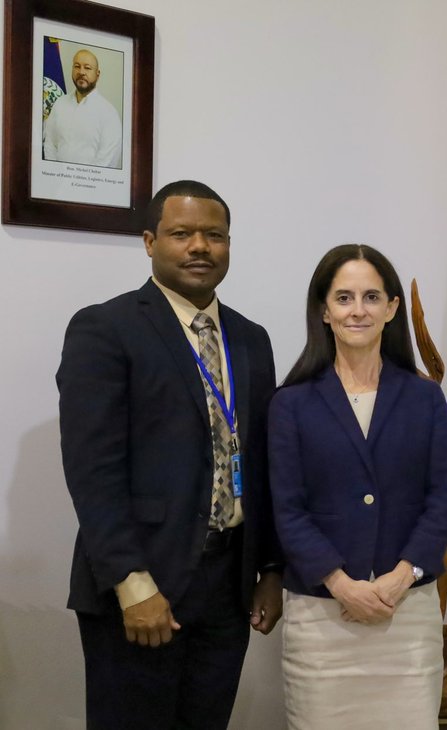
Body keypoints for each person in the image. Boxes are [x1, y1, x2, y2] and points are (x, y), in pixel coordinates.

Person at [57, 180, 284, 729]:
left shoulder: (251, 339)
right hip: (141, 582)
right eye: (182, 234)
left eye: (215, 235)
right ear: (149, 242)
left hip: (229, 586)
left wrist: (271, 569)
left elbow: (264, 460)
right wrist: (132, 582)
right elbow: (92, 470)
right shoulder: (105, 328)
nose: (200, 246)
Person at [268, 244, 447, 729]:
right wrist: (340, 584)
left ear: (392, 308)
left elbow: (441, 499)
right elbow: (287, 509)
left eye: (371, 297)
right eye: (344, 297)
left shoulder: (424, 397)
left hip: (406, 611)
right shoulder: (291, 403)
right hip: (323, 615)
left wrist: (402, 577)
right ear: (324, 311)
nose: (358, 310)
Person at [43, 48, 122, 168]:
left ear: (97, 74)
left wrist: (79, 179)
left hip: (91, 180)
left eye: (87, 68)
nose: (81, 72)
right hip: (56, 178)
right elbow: (50, 143)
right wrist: (55, 173)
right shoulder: (59, 104)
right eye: (77, 66)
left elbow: (107, 161)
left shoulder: (109, 113)